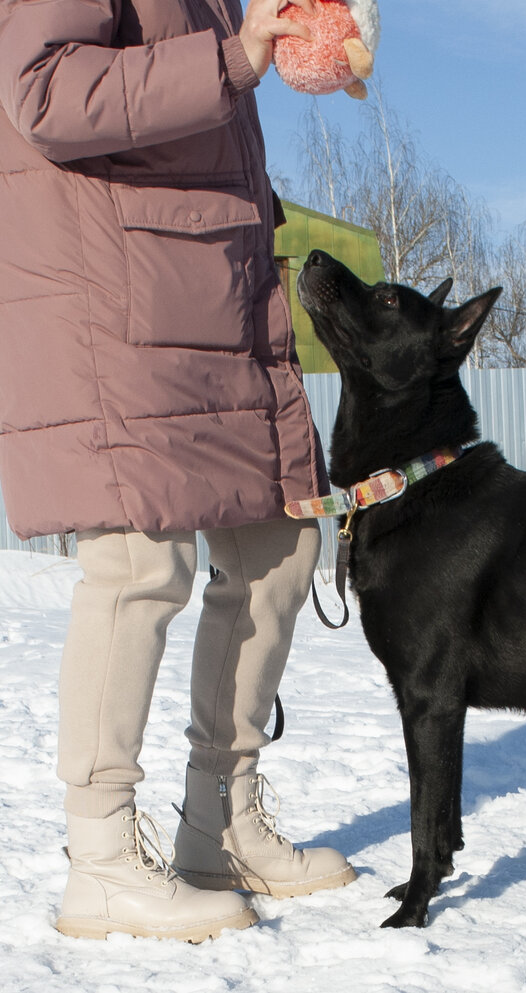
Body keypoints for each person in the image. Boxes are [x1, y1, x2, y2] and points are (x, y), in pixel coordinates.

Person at [0, 0, 356, 941]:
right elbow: (41, 90)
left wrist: (285, 41)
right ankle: (102, 861)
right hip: (113, 289)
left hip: (217, 289)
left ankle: (219, 823)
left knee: (282, 546)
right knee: (138, 566)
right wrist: (233, 58)